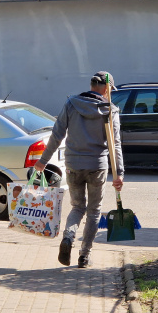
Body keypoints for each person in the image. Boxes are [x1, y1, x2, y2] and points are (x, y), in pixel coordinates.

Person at [34, 71, 124, 268]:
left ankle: (68, 237)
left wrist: (43, 161)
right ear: (107, 88)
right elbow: (115, 145)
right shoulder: (111, 110)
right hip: (97, 166)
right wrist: (120, 174)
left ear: (92, 85)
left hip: (73, 164)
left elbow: (56, 135)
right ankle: (84, 255)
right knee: (93, 211)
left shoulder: (71, 104)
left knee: (77, 207)